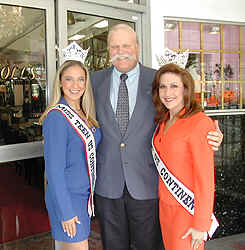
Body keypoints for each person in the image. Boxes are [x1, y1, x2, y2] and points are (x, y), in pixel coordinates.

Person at [90, 23, 223, 250]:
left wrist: (213, 132)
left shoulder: (157, 80)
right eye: (114, 46)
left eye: (126, 45)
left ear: (138, 47)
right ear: (108, 50)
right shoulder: (93, 82)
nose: (120, 51)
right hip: (107, 184)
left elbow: (185, 109)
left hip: (147, 184)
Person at [40, 49, 102, 249]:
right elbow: (54, 171)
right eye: (69, 79)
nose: (76, 85)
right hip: (67, 197)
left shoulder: (85, 113)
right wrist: (66, 211)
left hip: (82, 195)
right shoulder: (57, 117)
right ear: (60, 82)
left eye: (80, 79)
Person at [152, 63, 216, 249]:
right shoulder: (164, 121)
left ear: (186, 89)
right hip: (165, 207)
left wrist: (201, 224)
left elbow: (205, 179)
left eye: (174, 86)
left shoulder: (200, 123)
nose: (167, 92)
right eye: (162, 86)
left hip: (188, 209)